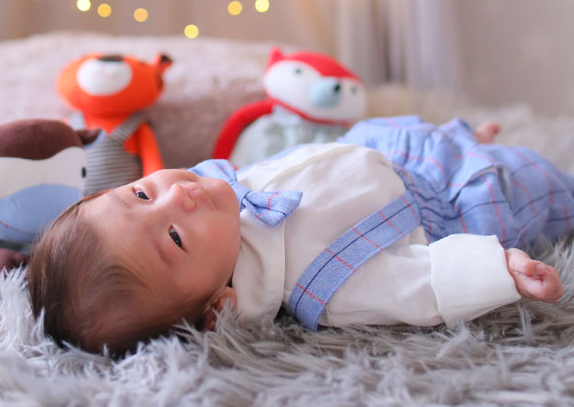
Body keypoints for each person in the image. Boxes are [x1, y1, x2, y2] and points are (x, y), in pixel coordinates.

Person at [28, 116, 571, 356]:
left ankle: (462, 133)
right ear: (218, 307)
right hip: (462, 194)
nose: (178, 196)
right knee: (544, 184)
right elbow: (419, 287)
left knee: (400, 130)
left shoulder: (219, 200)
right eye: (174, 238)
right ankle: (497, 157)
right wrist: (499, 270)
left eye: (142, 194)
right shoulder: (322, 282)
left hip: (394, 151)